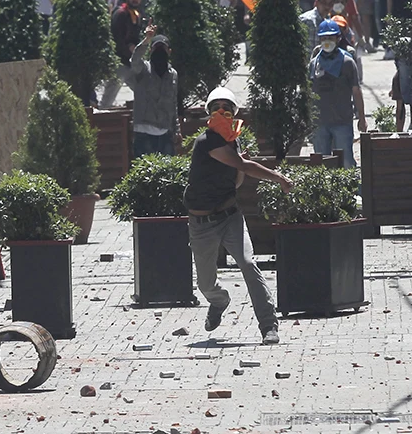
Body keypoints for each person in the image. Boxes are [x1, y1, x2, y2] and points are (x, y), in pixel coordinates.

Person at [183, 87, 292, 345]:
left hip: (229, 216)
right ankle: (219, 301)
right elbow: (244, 167)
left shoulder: (233, 140)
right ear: (209, 113)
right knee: (205, 284)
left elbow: (236, 180)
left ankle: (268, 325)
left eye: (227, 107)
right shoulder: (206, 141)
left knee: (247, 262)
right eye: (216, 107)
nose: (222, 112)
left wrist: (239, 165)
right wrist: (278, 177)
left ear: (235, 112)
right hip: (201, 224)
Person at [309, 21, 366, 167]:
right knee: (322, 163)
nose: (327, 42)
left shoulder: (347, 62)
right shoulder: (314, 64)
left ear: (338, 38)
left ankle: (352, 189)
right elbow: (307, 92)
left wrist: (362, 117)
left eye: (331, 38)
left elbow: (356, 91)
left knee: (346, 161)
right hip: (319, 123)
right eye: (323, 38)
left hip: (342, 122)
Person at [124, 26, 178, 157]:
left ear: (169, 51)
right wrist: (147, 40)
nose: (160, 51)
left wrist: (176, 130)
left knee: (167, 174)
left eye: (163, 48)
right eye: (156, 48)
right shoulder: (143, 69)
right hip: (144, 132)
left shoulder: (173, 74)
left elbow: (173, 104)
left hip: (165, 133)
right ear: (151, 50)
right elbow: (135, 60)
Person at [102, 0, 146, 108]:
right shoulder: (120, 14)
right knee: (109, 96)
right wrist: (128, 50)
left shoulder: (137, 15)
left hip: (132, 62)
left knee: (142, 90)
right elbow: (116, 39)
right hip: (120, 62)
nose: (136, 0)